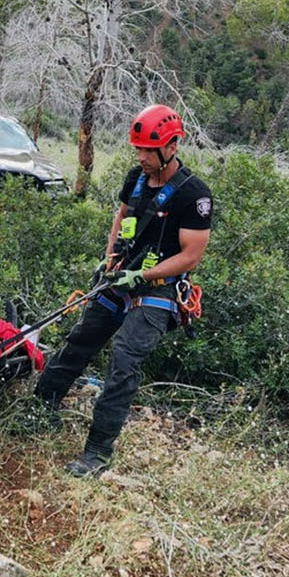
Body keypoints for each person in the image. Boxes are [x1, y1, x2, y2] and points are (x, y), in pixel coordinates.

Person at [34, 105, 213, 477]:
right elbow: (122, 217)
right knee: (81, 338)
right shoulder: (136, 178)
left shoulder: (194, 194)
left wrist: (144, 279)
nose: (142, 157)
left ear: (172, 146)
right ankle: (40, 406)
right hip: (121, 276)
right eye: (139, 150)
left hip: (159, 289)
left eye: (150, 150)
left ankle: (96, 452)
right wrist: (110, 257)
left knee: (124, 360)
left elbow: (191, 256)